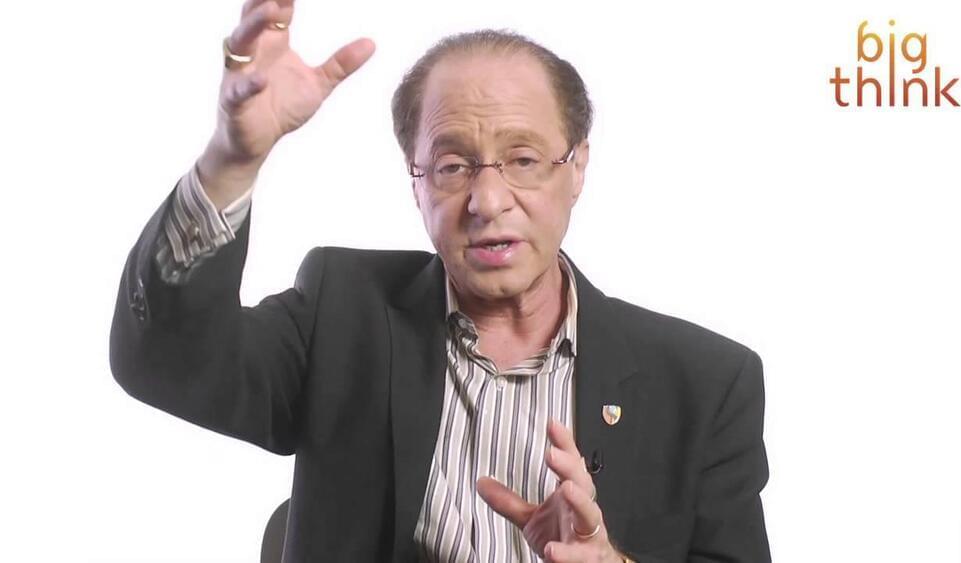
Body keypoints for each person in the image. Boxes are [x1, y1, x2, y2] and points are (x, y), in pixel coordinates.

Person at [109, 1, 771, 561]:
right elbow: (165, 363)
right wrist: (232, 161)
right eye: (453, 166)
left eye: (522, 159)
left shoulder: (705, 384)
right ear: (416, 181)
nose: (488, 199)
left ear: (576, 168)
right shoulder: (343, 311)